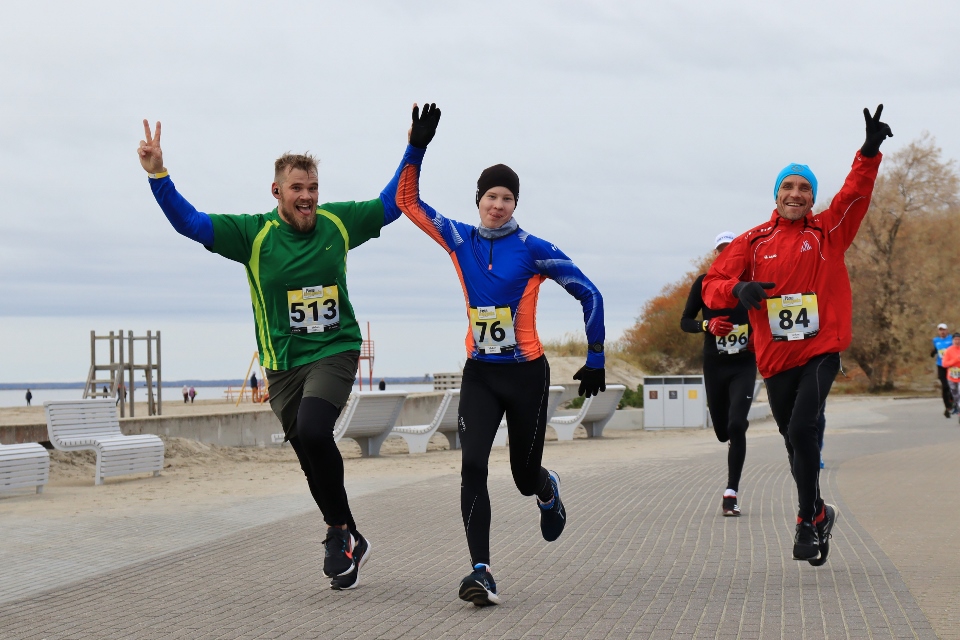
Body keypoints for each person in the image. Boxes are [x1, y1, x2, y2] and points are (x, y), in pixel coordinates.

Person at [138, 118, 407, 590]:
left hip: (334, 348)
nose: (307, 197)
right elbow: (191, 223)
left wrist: (414, 148)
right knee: (309, 454)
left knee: (313, 428)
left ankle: (338, 532)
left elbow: (391, 204)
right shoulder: (252, 234)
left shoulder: (337, 223)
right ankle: (347, 534)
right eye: (297, 188)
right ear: (277, 192)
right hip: (282, 366)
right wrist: (159, 176)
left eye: (314, 188)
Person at [394, 103, 606, 606]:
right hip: (481, 376)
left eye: (508, 197)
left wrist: (596, 355)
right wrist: (416, 147)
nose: (498, 205)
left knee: (521, 475)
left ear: (516, 203)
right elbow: (407, 201)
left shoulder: (534, 249)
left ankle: (546, 488)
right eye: (491, 196)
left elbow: (590, 293)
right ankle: (480, 572)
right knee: (472, 465)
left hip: (527, 376)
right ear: (479, 199)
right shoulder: (458, 238)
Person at [703, 105, 893, 565]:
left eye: (804, 187)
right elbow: (711, 286)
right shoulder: (752, 241)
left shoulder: (828, 231)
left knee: (806, 426)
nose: (796, 193)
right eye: (788, 186)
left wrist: (868, 151)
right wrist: (739, 288)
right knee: (794, 439)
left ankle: (805, 520)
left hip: (822, 349)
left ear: (812, 196)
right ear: (776, 194)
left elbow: (855, 194)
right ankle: (819, 509)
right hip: (775, 357)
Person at [681, 231, 756, 517]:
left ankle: (731, 492)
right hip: (715, 364)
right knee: (723, 430)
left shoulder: (749, 284)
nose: (726, 253)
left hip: (744, 364)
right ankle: (728, 435)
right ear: (716, 254)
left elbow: (770, 317)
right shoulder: (704, 283)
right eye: (721, 249)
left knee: (738, 425)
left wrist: (757, 338)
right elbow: (685, 321)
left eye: (731, 249)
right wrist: (706, 326)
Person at [931, 323, 954, 418]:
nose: (942, 332)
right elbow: (937, 349)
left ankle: (952, 401)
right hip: (941, 365)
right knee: (945, 386)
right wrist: (933, 352)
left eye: (944, 330)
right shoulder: (936, 340)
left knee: (952, 385)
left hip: (951, 366)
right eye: (940, 330)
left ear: (947, 330)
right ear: (938, 331)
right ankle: (947, 407)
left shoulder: (952, 339)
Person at [939, 333, 960, 423]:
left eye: (959, 339)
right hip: (951, 377)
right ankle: (956, 407)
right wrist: (956, 360)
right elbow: (944, 364)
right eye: (955, 339)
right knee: (955, 395)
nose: (957, 341)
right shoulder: (949, 350)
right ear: (952, 341)